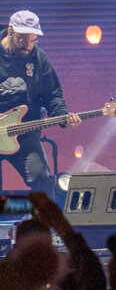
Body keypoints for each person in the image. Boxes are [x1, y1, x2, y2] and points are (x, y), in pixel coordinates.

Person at [0, 11, 78, 199]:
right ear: (10, 32)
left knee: (41, 177)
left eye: (33, 41)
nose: (28, 46)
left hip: (24, 132)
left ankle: (46, 225)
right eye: (22, 40)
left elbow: (52, 94)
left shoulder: (39, 60)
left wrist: (63, 116)